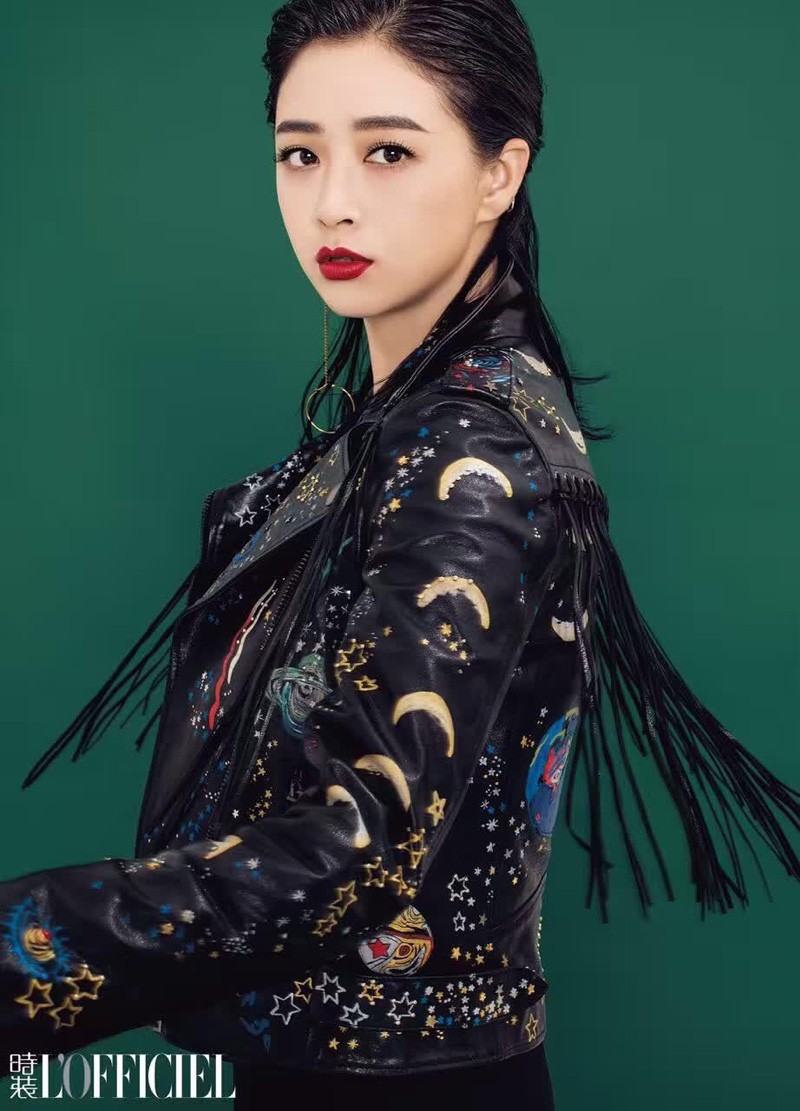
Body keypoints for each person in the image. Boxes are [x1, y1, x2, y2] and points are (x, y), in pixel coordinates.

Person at [1, 2, 798, 1107]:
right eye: (300, 153)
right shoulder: (418, 417)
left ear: (498, 172)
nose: (332, 200)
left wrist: (22, 949)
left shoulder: (466, 446)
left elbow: (355, 842)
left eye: (387, 151)